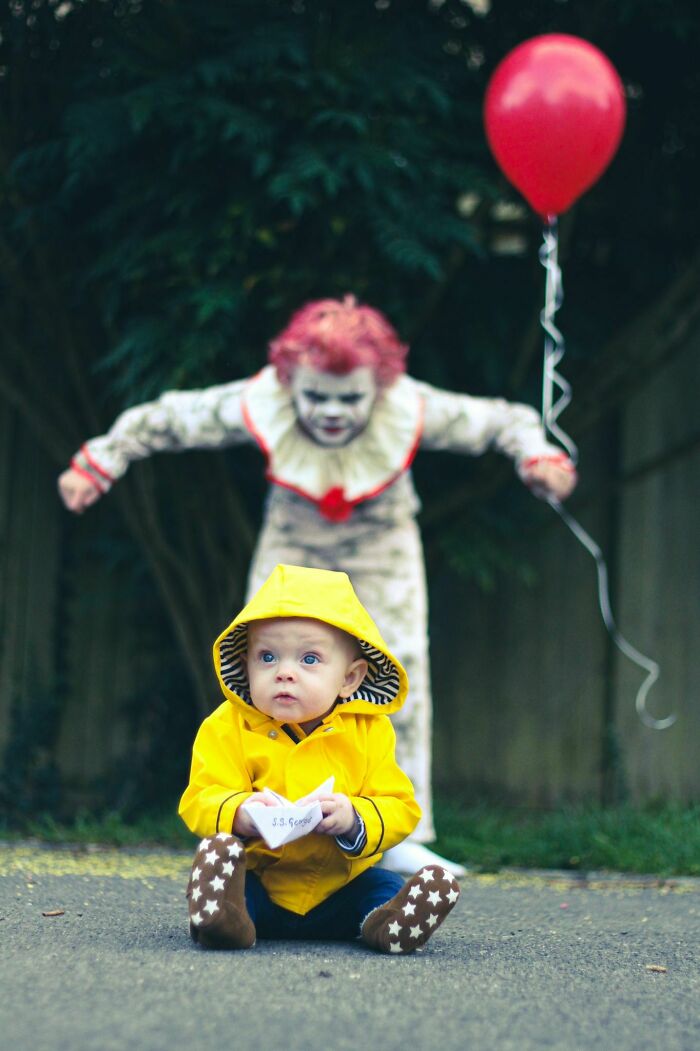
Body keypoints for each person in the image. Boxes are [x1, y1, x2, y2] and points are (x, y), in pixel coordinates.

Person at [58, 295, 577, 876]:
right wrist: (98, 463)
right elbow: (169, 418)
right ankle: (254, 817)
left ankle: (395, 831)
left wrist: (537, 459)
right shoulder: (260, 400)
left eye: (350, 397)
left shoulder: (411, 406)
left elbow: (504, 421)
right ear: (289, 382)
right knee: (269, 675)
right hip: (293, 543)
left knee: (397, 676)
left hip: (381, 545)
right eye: (316, 397)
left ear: (377, 387)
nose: (333, 412)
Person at [178, 562, 460, 953]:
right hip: (262, 885)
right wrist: (239, 812)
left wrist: (353, 818)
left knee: (383, 886)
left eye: (309, 659)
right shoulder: (227, 725)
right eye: (267, 657)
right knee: (230, 874)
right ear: (244, 664)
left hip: (342, 889)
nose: (285, 673)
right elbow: (200, 797)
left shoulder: (369, 731)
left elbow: (399, 806)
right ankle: (223, 919)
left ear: (350, 678)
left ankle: (388, 924)